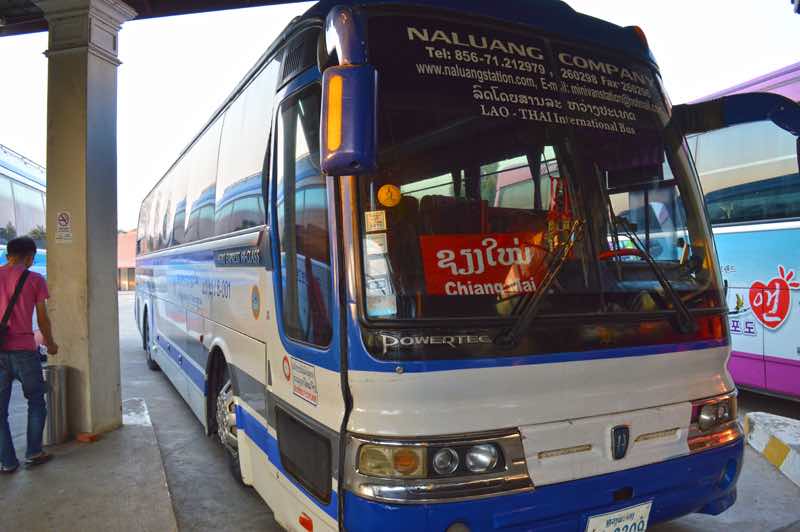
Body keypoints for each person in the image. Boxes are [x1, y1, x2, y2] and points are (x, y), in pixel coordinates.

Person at [0, 236, 58, 474]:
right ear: (30, 256)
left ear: (8, 254)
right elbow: (42, 318)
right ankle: (34, 452)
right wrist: (51, 344)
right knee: (35, 401)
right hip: (24, 350)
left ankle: (7, 461)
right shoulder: (35, 279)